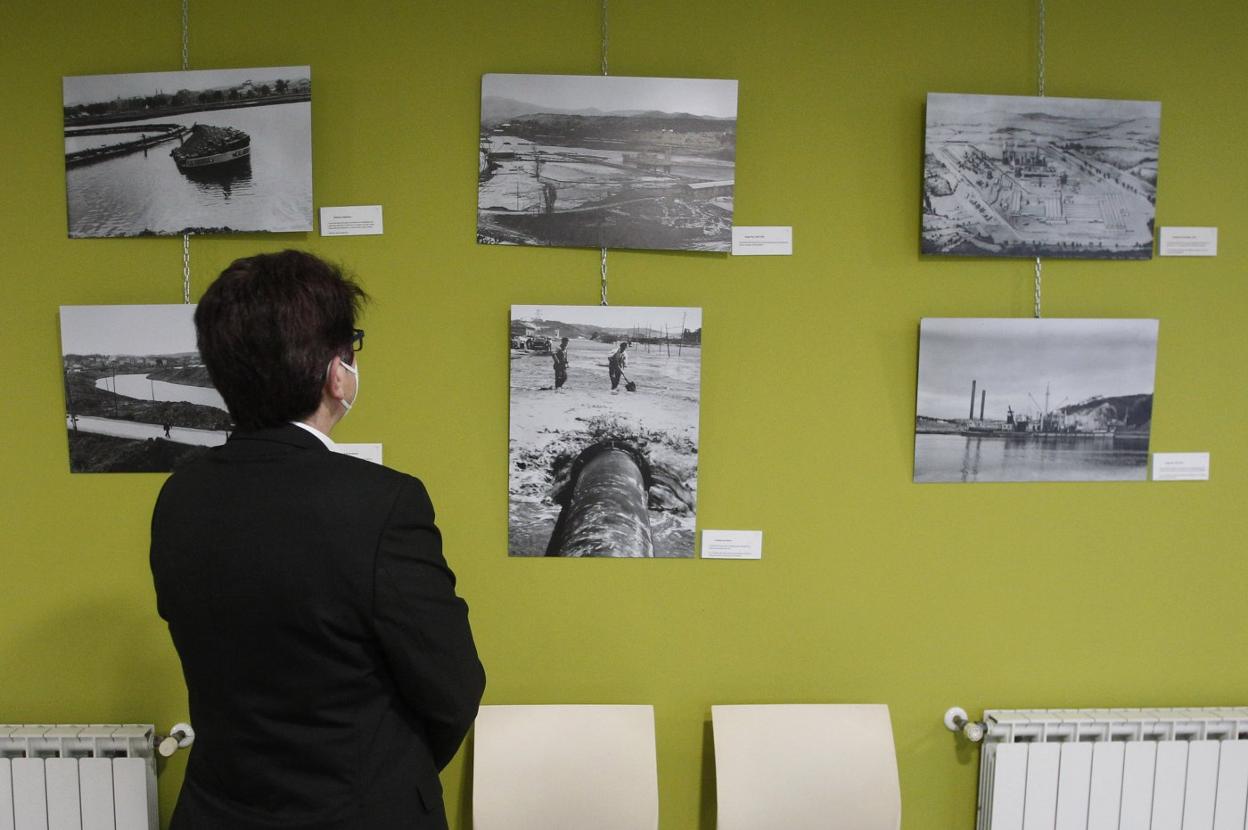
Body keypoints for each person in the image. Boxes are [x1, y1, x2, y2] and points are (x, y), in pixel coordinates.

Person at [150, 250, 485, 830]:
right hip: (361, 812)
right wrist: (388, 774)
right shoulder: (384, 503)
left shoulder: (180, 495)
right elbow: (453, 688)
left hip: (218, 810)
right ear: (336, 374)